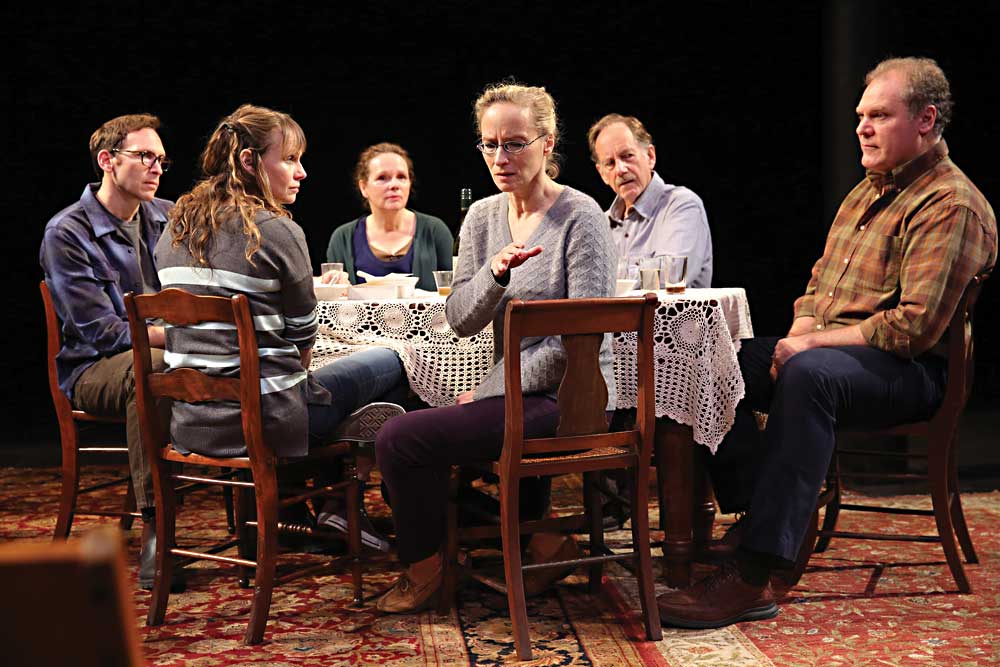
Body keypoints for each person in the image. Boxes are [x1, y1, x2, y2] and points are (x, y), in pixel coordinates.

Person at [657, 57, 997, 629]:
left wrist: (808, 350)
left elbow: (912, 327)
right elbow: (818, 286)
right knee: (710, 356)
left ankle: (754, 572)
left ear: (926, 120)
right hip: (842, 355)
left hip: (912, 373)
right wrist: (798, 334)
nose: (861, 127)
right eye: (860, 115)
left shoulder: (950, 204)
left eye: (879, 116)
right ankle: (759, 515)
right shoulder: (866, 193)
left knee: (808, 377)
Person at [373, 83, 616, 613]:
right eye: (489, 145)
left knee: (400, 441)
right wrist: (495, 272)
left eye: (514, 143)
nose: (499, 158)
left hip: (567, 398)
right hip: (509, 393)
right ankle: (542, 538)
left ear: (547, 144)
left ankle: (427, 572)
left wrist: (492, 392)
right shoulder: (482, 216)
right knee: (395, 432)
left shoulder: (583, 216)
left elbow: (582, 336)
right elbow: (459, 320)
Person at [154, 104, 405, 551]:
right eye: (289, 159)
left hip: (191, 422)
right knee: (394, 358)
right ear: (249, 162)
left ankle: (308, 509)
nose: (302, 172)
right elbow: (302, 343)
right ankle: (360, 509)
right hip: (265, 425)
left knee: (322, 381)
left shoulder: (174, 225)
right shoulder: (276, 231)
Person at [39, 113, 173, 589]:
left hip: (160, 352)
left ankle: (283, 509)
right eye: (144, 157)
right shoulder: (68, 233)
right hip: (93, 369)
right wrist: (182, 336)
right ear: (107, 161)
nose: (156, 168)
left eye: (160, 159)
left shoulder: (168, 217)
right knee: (152, 368)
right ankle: (159, 524)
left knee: (244, 354)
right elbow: (105, 332)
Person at [588, 113, 713, 288]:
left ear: (650, 156)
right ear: (602, 174)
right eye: (610, 163)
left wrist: (604, 273)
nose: (621, 169)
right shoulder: (600, 224)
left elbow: (673, 275)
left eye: (627, 156)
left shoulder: (681, 205)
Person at [325, 143, 452, 292]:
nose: (394, 185)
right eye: (382, 178)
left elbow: (456, 290)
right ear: (363, 187)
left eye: (401, 177)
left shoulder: (435, 231)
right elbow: (333, 300)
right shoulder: (342, 238)